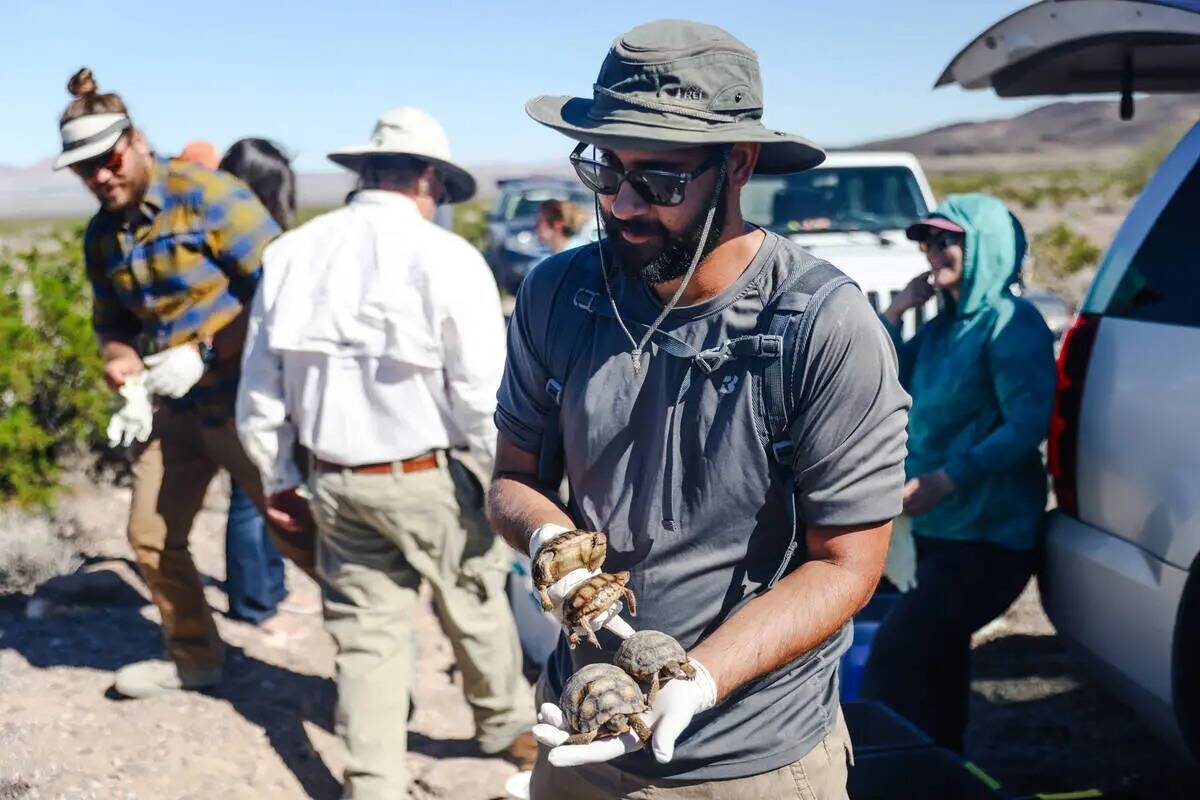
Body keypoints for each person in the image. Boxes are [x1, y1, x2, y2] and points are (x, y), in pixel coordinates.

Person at [487, 20, 911, 799]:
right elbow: (511, 477)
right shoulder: (557, 295)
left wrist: (699, 678)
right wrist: (549, 540)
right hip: (581, 729)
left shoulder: (822, 326)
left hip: (750, 758)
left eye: (660, 179)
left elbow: (848, 562)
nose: (619, 203)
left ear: (738, 163)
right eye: (602, 166)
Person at [236, 107, 536, 800]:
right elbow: (480, 395)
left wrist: (280, 479)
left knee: (366, 635)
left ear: (365, 171)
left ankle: (372, 782)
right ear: (429, 176)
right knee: (474, 598)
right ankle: (503, 726)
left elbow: (259, 393)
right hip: (424, 472)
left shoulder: (291, 253)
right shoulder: (449, 257)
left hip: (332, 479)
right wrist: (506, 481)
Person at [54, 68, 314, 699]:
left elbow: (281, 291)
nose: (101, 177)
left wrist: (204, 350)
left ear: (136, 139)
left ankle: (372, 661)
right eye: (85, 170)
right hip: (173, 415)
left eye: (108, 159)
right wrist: (121, 365)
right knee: (150, 537)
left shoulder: (207, 196)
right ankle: (196, 658)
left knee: (301, 535)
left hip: (244, 406)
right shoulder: (103, 235)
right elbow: (111, 323)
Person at [860, 194, 1056, 752]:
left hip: (991, 537)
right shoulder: (944, 329)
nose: (932, 252)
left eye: (947, 240)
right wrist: (896, 312)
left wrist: (949, 478)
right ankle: (940, 769)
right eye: (927, 241)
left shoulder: (1011, 325)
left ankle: (883, 770)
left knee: (896, 659)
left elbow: (1026, 424)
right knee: (937, 666)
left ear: (986, 248)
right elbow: (878, 375)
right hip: (940, 532)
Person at [216, 139, 303, 629]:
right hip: (240, 384)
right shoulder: (253, 248)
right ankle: (253, 600)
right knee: (250, 494)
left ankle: (268, 586)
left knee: (257, 488)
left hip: (243, 381)